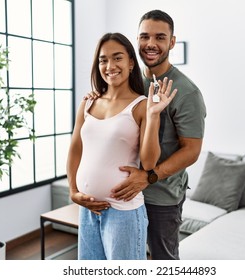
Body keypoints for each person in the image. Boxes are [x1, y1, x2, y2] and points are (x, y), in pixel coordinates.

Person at [85, 10, 206, 260]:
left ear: (172, 42)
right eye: (144, 37)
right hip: (121, 197)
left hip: (161, 197)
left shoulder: (186, 92)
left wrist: (148, 177)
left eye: (160, 37)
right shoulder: (129, 80)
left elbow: (191, 150)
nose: (151, 44)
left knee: (163, 260)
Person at [66, 32, 177, 260]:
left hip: (123, 212)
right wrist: (73, 191)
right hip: (89, 210)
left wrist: (154, 115)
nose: (109, 66)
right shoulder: (88, 102)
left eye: (117, 58)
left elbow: (148, 162)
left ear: (130, 63)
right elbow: (75, 148)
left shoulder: (142, 105)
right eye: (103, 60)